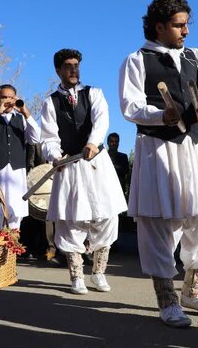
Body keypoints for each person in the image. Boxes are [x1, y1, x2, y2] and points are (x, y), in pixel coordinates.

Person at [119, 0, 198, 328]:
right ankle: (167, 300)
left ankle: (193, 290)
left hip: (193, 145)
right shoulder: (137, 59)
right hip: (157, 147)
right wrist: (158, 115)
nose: (186, 32)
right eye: (179, 26)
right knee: (159, 222)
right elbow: (129, 105)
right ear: (159, 26)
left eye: (186, 25)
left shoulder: (196, 56)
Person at [40, 49, 127, 294]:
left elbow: (101, 121)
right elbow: (48, 136)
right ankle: (77, 276)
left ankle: (98, 273)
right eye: (68, 66)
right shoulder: (50, 102)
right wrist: (55, 156)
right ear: (58, 70)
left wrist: (93, 141)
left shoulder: (94, 93)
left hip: (97, 164)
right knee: (71, 220)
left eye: (76, 65)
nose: (73, 70)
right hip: (69, 166)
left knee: (107, 216)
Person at [0, 84, 41, 229]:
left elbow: (35, 139)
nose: (8, 101)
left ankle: (11, 248)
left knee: (15, 212)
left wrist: (26, 112)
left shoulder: (21, 119)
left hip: (15, 172)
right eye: (4, 97)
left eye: (11, 97)